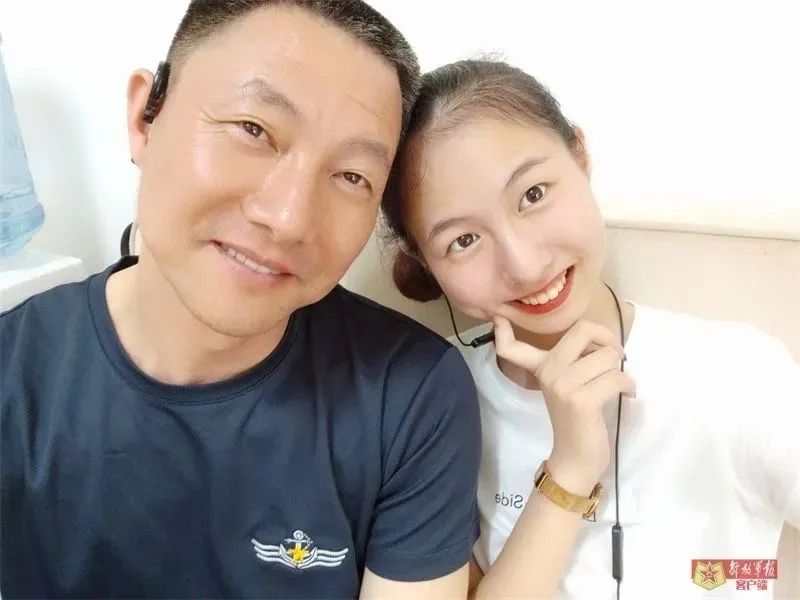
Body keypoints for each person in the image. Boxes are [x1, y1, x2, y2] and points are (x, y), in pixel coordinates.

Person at [0, 2, 482, 598]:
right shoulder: (14, 375)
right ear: (145, 118)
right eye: (253, 130)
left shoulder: (407, 394)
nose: (289, 218)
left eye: (352, 176)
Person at [382, 59, 800, 599]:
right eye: (463, 241)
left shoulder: (737, 374)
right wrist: (570, 467)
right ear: (424, 260)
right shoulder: (424, 403)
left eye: (533, 194)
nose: (525, 266)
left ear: (580, 156)